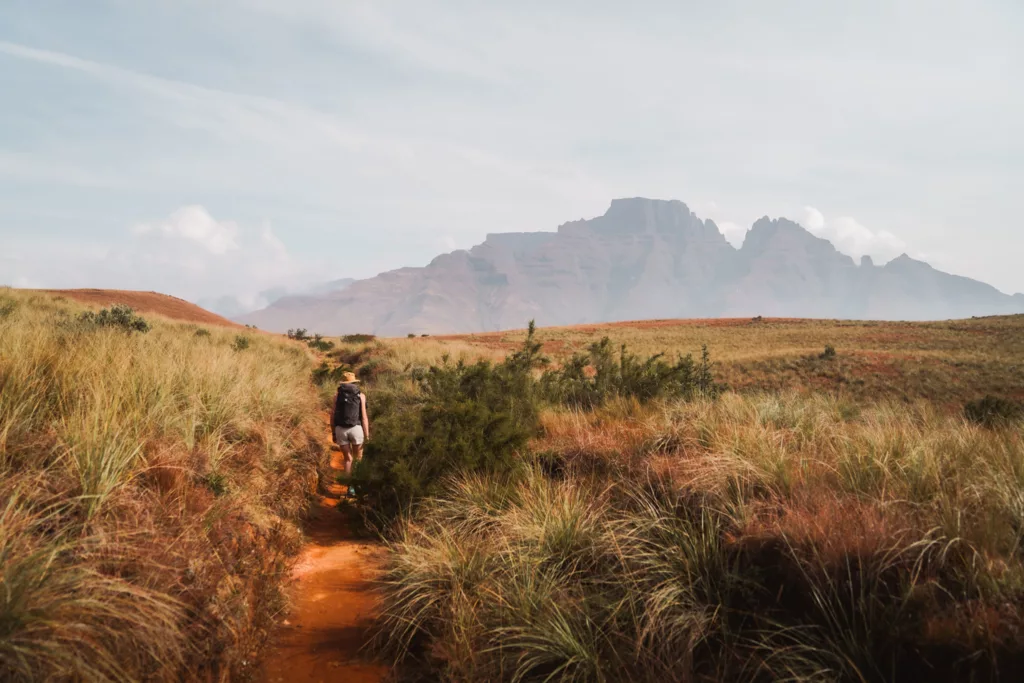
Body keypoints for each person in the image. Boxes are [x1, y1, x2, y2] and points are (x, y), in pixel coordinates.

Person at [331, 371, 370, 497]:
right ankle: (358, 486)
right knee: (358, 459)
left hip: (341, 430)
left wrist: (333, 432)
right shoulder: (361, 396)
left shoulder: (337, 396)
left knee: (348, 460)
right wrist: (367, 435)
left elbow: (332, 416)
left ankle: (350, 489)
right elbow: (364, 418)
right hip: (356, 429)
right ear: (354, 382)